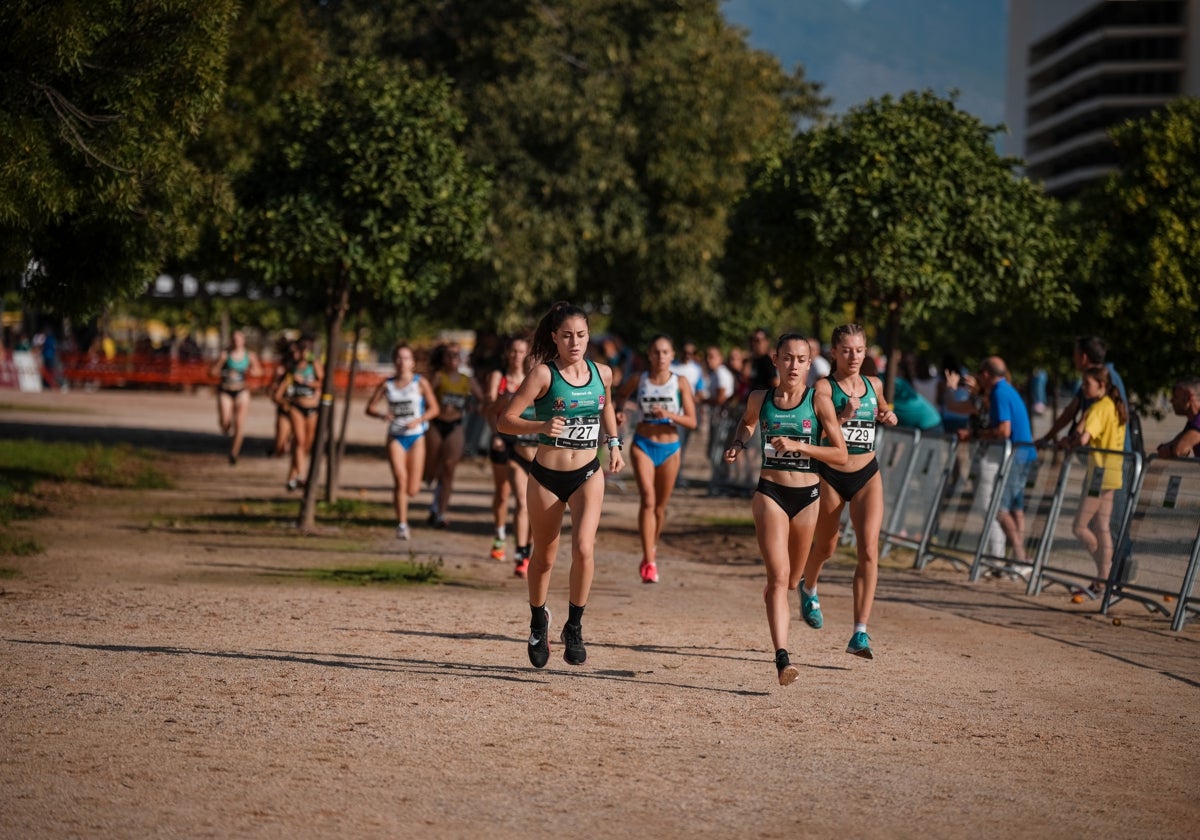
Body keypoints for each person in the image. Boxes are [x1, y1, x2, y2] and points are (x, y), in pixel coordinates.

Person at [498, 301, 625, 669]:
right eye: (567, 335)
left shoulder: (603, 373)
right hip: (547, 476)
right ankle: (539, 621)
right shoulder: (542, 375)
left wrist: (614, 444)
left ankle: (575, 625)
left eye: (582, 335)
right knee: (544, 557)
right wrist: (539, 426)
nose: (575, 342)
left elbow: (606, 410)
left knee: (585, 548)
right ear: (554, 337)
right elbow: (505, 421)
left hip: (587, 471)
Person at [723, 333, 847, 685]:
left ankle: (800, 588)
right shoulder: (760, 399)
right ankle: (782, 658)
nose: (794, 365)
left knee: (791, 581)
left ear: (810, 364)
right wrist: (737, 443)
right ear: (775, 360)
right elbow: (747, 423)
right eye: (787, 358)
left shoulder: (818, 401)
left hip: (807, 498)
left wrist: (800, 447)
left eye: (801, 359)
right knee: (777, 578)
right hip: (771, 493)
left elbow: (839, 453)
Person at [800, 324, 899, 661]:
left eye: (859, 350)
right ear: (834, 352)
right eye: (846, 350)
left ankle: (860, 631)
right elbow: (821, 437)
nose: (854, 356)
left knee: (869, 549)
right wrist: (843, 416)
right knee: (826, 546)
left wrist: (887, 414)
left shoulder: (874, 384)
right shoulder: (824, 388)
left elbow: (883, 406)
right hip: (831, 474)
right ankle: (809, 587)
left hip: (867, 474)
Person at [615, 334, 698, 584]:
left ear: (672, 356)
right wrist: (620, 412)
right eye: (656, 352)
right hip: (642, 444)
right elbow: (619, 396)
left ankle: (652, 548)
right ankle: (648, 559)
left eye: (665, 352)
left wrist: (670, 415)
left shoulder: (680, 382)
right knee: (648, 500)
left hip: (670, 447)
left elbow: (692, 421)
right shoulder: (638, 379)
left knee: (660, 507)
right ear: (649, 355)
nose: (661, 357)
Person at [947, 356, 1037, 572]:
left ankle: (1018, 558)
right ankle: (1018, 558)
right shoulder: (1004, 390)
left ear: (986, 374)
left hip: (1013, 455)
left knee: (999, 508)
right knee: (1014, 508)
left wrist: (974, 433)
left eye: (979, 373)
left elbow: (1003, 430)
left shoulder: (998, 393)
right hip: (1022, 454)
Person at [1061, 365, 1127, 600]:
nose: (1083, 388)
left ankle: (1105, 574)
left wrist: (1073, 436)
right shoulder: (1112, 405)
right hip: (1111, 472)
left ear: (1101, 385)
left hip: (1099, 474)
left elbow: (1083, 438)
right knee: (1101, 527)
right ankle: (1105, 579)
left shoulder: (1100, 408)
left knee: (1080, 527)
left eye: (1087, 384)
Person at [364, 342, 439, 541]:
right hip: (395, 436)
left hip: (416, 437)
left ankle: (405, 509)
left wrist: (420, 419)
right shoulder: (386, 384)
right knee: (400, 480)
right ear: (394, 361)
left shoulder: (420, 383)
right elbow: (369, 408)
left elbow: (434, 409)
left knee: (412, 490)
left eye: (406, 358)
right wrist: (382, 415)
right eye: (398, 358)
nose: (401, 362)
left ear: (412, 362)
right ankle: (402, 525)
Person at [485, 336, 537, 575]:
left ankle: (526, 551)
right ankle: (501, 536)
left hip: (535, 448)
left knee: (531, 504)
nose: (517, 356)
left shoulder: (536, 381)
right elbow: (489, 409)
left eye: (521, 352)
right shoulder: (500, 378)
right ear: (508, 354)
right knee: (505, 494)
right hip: (505, 440)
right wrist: (495, 432)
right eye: (514, 351)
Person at [424, 342, 484, 528]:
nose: (453, 359)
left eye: (457, 355)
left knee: (449, 468)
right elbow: (422, 397)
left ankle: (441, 512)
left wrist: (475, 407)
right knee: (432, 469)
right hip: (435, 424)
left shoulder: (467, 380)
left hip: (455, 425)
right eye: (449, 355)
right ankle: (433, 493)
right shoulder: (438, 378)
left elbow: (483, 401)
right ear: (443, 358)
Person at [273, 336, 322, 491]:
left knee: (306, 445)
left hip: (312, 409)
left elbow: (323, 381)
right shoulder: (291, 369)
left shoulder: (314, 365)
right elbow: (277, 394)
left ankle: (292, 477)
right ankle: (302, 476)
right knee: (299, 442)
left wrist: (306, 382)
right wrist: (285, 403)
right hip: (296, 407)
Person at [209, 329, 263, 465]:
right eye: (234, 339)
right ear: (231, 341)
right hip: (226, 390)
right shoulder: (225, 355)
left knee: (239, 424)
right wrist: (220, 363)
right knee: (225, 422)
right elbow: (212, 373)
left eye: (239, 339)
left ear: (243, 341)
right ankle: (226, 427)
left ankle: (234, 453)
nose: (237, 342)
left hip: (242, 391)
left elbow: (259, 371)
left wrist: (253, 371)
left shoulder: (249, 356)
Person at [1156, 377, 1200, 459]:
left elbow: (1180, 450)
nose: (1171, 400)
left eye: (1176, 396)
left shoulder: (1198, 422)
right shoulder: (1193, 423)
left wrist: (1169, 449)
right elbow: (1175, 443)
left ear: (1188, 396)